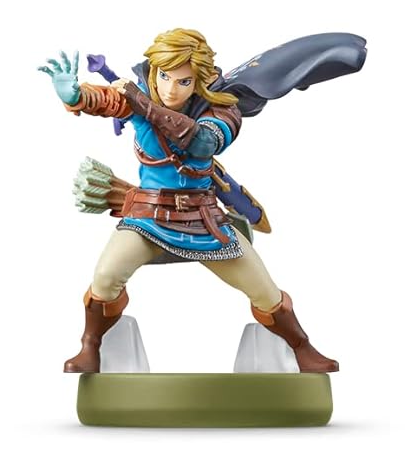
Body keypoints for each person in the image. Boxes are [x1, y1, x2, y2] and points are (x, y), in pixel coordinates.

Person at [39, 28, 338, 374]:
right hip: (148, 216)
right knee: (105, 277)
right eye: (164, 77)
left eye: (183, 81)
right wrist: (77, 95)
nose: (170, 89)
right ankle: (90, 344)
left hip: (204, 222)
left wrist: (141, 102)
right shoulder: (138, 98)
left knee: (264, 290)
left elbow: (201, 143)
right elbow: (107, 100)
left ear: (198, 81)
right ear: (154, 72)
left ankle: (301, 347)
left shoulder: (221, 111)